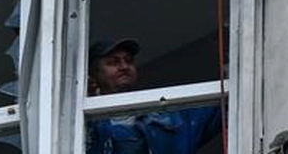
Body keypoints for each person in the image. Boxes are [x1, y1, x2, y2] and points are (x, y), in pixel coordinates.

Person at [86, 39, 221, 154]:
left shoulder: (169, 118)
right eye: (113, 62)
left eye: (129, 61)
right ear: (94, 74)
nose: (124, 66)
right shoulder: (84, 122)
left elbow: (225, 109)